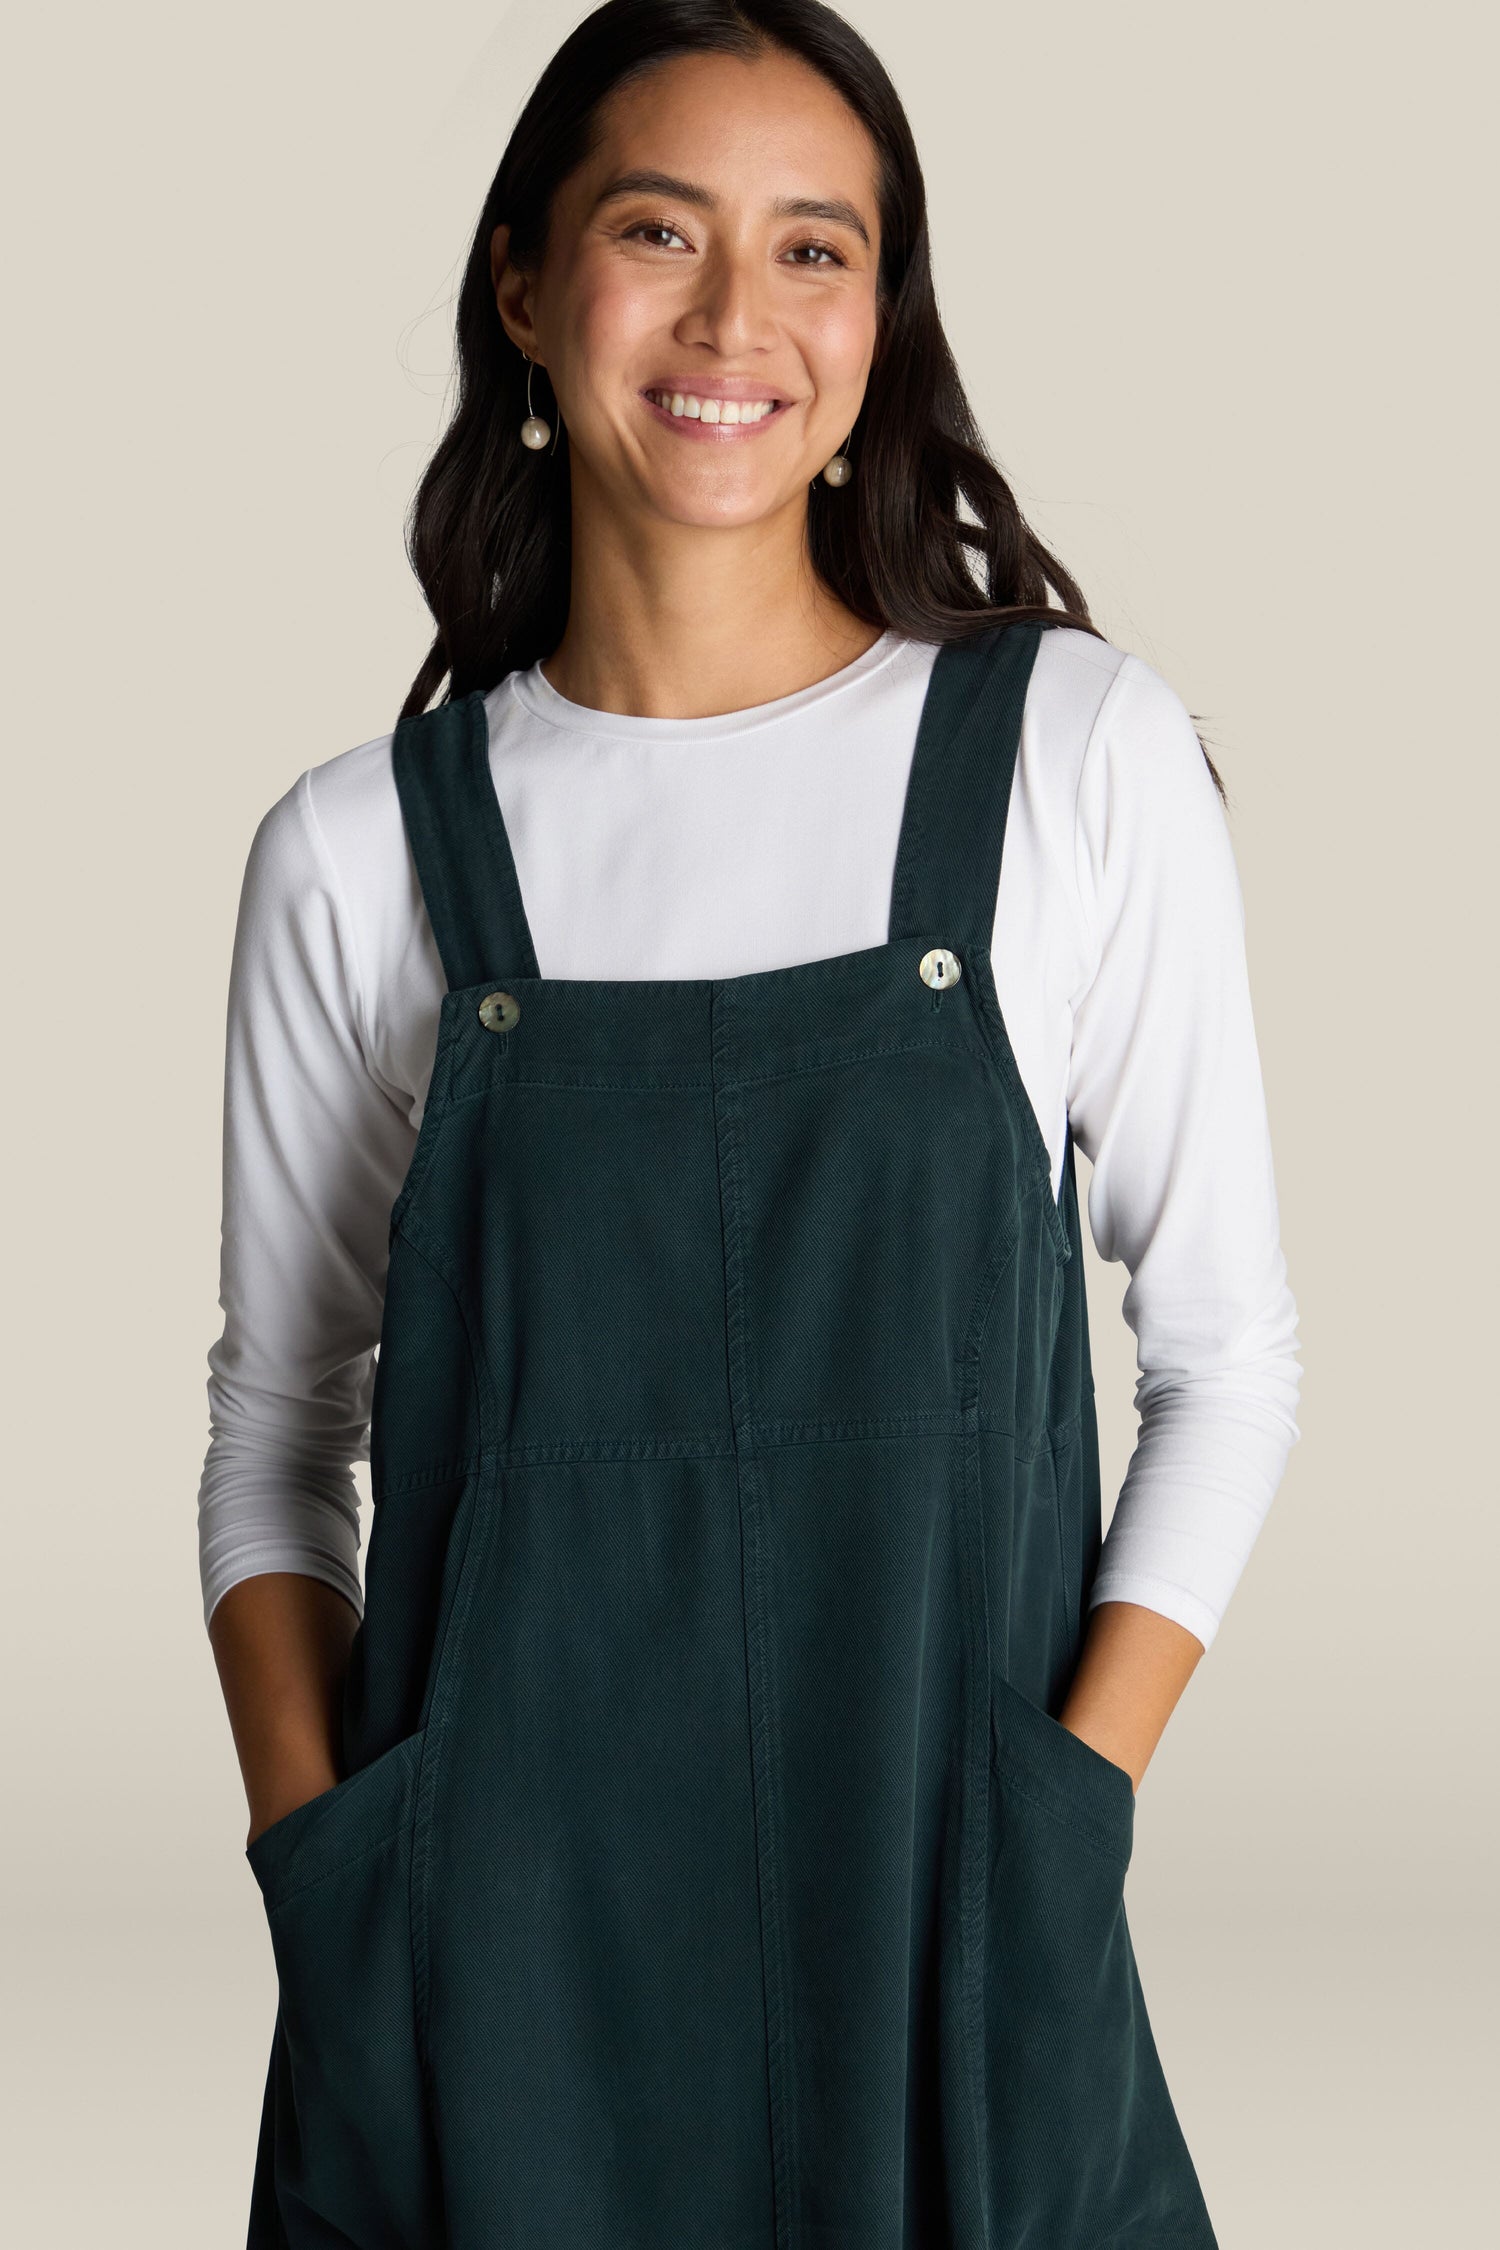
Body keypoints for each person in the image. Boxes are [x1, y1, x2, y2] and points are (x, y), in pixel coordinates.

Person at [198, 3, 1302, 2243]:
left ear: (884, 322)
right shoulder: (354, 855)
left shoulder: (1073, 756)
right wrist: (339, 1872)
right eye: (657, 230)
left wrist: (1055, 1810)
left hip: (946, 1936)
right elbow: (272, 1432)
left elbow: (1228, 1361)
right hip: (484, 1987)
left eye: (819, 249)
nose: (736, 318)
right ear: (525, 287)